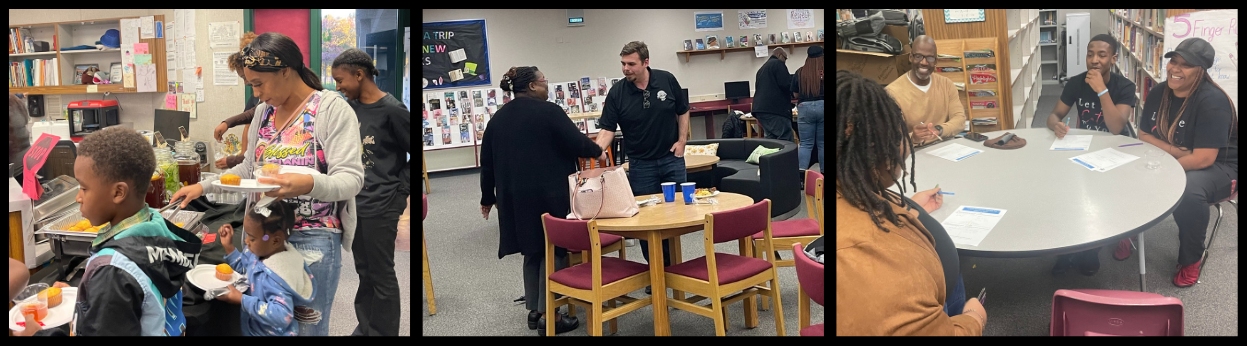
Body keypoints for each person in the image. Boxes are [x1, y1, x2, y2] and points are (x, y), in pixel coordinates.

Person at [171, 32, 365, 336]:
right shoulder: (264, 113)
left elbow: (351, 179)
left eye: (259, 84)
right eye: (252, 86)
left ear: (285, 70)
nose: (257, 95)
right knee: (263, 323)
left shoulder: (330, 109)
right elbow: (248, 169)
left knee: (304, 327)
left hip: (312, 238)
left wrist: (306, 184)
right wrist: (204, 187)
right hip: (262, 238)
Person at [836, 70, 986, 335]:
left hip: (940, 294)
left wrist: (910, 208)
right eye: (898, 135)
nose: (905, 145)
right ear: (877, 149)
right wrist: (974, 318)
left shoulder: (853, 186)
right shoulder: (873, 255)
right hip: (945, 315)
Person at [480, 66, 603, 335]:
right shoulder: (549, 112)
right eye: (544, 81)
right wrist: (598, 151)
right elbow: (576, 143)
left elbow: (486, 164)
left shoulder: (498, 119)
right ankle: (552, 316)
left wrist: (487, 197)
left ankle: (535, 312)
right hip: (549, 194)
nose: (547, 85)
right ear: (533, 86)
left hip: (513, 197)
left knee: (531, 249)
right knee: (553, 248)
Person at [65, 126, 202, 336]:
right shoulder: (155, 226)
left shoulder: (112, 273)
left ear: (119, 192)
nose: (78, 198)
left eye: (84, 188)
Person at [1132, 38, 1237, 287]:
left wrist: (1164, 167)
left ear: (1201, 70)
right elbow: (1144, 135)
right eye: (1173, 61)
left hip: (1220, 166)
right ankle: (1125, 234)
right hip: (1175, 157)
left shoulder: (1213, 101)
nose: (1175, 69)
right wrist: (1173, 150)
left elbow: (1203, 158)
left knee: (1189, 190)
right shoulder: (1159, 92)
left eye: (1186, 65)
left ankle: (1191, 259)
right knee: (1127, 170)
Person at [331, 48, 410, 336]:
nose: (338, 87)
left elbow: (418, 154)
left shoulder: (393, 109)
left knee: (382, 274)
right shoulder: (349, 109)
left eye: (341, 81)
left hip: (383, 204)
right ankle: (366, 328)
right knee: (364, 272)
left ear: (359, 74)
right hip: (355, 203)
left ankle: (383, 332)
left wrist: (400, 195)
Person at [593, 41, 688, 280]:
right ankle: (657, 271)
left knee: (677, 217)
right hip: (640, 165)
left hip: (671, 159)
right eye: (623, 64)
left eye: (631, 64)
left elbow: (683, 109)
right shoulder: (618, 93)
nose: (626, 69)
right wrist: (594, 150)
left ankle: (674, 269)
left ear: (646, 62)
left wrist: (682, 140)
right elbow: (607, 129)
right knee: (647, 221)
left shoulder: (667, 80)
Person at [1045, 34, 1138, 276]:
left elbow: (1117, 126)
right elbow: (1053, 115)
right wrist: (1055, 125)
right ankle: (1065, 250)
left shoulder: (1125, 87)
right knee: (1064, 192)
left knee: (1097, 198)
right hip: (1082, 149)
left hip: (1114, 152)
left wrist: (1101, 90)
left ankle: (1090, 251)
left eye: (1102, 55)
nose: (1094, 60)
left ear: (1113, 59)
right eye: (1090, 54)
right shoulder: (1076, 83)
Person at [216, 200, 314, 336]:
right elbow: (244, 269)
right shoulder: (256, 253)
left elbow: (282, 316)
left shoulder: (278, 276)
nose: (246, 241)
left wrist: (242, 300)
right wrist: (229, 248)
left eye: (252, 238)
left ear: (275, 240)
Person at [885, 35, 967, 147]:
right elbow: (893, 139)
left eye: (930, 58)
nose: (924, 62)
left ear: (936, 61)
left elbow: (960, 120)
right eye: (918, 56)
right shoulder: (891, 93)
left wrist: (939, 130)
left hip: (946, 146)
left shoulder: (946, 84)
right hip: (915, 152)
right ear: (910, 57)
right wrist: (913, 138)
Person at [215, 31, 261, 170]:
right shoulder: (256, 96)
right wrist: (243, 157)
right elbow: (248, 122)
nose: (256, 91)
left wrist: (237, 160)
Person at [792, 45, 824, 174]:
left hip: (804, 108)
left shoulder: (800, 72)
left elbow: (795, 94)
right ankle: (823, 176)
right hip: (823, 106)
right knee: (823, 143)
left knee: (805, 144)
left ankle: (801, 176)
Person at [752, 47, 795, 141]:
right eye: (785, 58)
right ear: (779, 55)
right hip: (775, 110)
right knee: (786, 140)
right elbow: (785, 84)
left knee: (772, 142)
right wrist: (795, 91)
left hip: (760, 110)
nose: (785, 61)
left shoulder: (762, 68)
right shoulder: (778, 63)